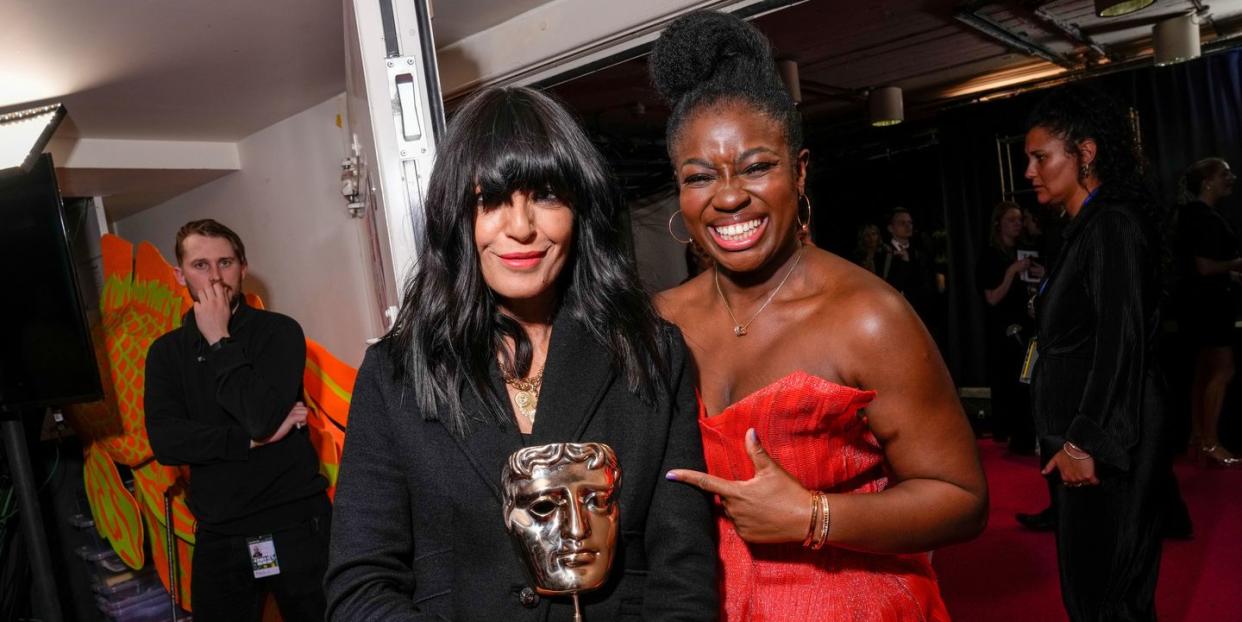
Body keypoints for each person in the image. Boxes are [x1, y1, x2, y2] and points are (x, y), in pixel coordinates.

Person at [323, 86, 717, 620]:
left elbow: (683, 568)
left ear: (580, 209)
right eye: (491, 200)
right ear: (457, 217)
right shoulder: (396, 374)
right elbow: (360, 585)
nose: (522, 227)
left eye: (547, 196)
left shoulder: (651, 352)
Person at [649, 11, 988, 621]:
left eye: (757, 166)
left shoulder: (867, 317)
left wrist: (813, 516)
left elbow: (961, 500)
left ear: (800, 171)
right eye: (700, 177)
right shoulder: (660, 320)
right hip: (703, 604)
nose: (728, 196)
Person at [1024, 84, 1175, 620]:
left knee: (1107, 597)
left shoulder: (1111, 225)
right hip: (1082, 438)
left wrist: (1086, 438)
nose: (1030, 172)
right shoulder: (1083, 228)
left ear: (1084, 154)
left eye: (1041, 157)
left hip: (1100, 442)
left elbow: (1121, 342)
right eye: (1028, 159)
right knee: (1093, 589)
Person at [145, 219, 330, 621]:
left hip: (295, 526)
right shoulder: (166, 353)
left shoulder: (279, 333)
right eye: (200, 265)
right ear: (180, 275)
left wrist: (219, 340)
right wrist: (247, 442)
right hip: (220, 533)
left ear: (243, 268)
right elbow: (166, 441)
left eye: (224, 262)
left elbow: (260, 418)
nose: (215, 276)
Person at [1175, 157, 1240, 467]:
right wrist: (1234, 265)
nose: (1232, 178)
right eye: (1225, 174)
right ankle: (1211, 442)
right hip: (1210, 306)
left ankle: (1199, 438)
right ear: (1208, 182)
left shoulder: (1190, 216)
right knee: (1223, 370)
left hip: (1195, 304)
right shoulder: (1204, 218)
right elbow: (1204, 266)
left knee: (1202, 372)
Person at [976, 201, 1042, 454]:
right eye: (1011, 220)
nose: (1017, 225)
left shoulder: (1025, 251)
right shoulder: (991, 255)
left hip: (1028, 324)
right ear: (999, 224)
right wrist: (1012, 272)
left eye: (1019, 220)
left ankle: (1029, 431)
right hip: (1004, 329)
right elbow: (992, 298)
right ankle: (1016, 433)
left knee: (1029, 378)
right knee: (1011, 380)